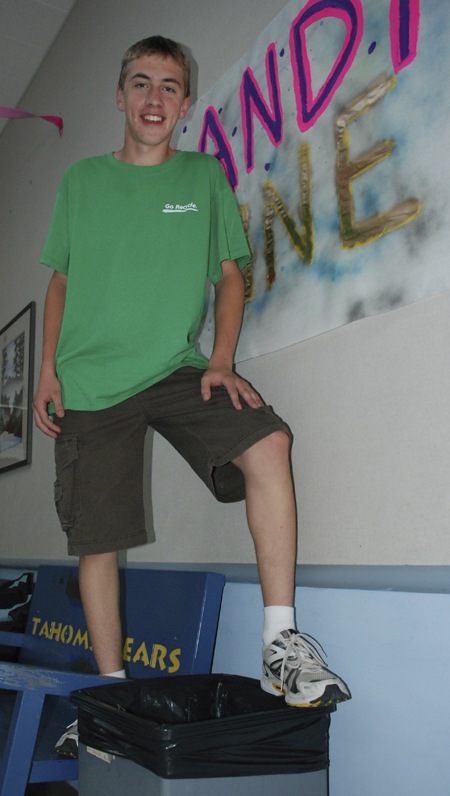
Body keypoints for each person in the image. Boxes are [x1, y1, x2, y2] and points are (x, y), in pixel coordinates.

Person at [32, 35, 350, 756]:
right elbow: (60, 282)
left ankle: (280, 644)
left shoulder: (203, 176)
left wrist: (221, 358)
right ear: (120, 96)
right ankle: (109, 699)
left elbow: (230, 274)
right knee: (99, 540)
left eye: (169, 87)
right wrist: (46, 370)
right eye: (140, 84)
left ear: (184, 102)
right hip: (88, 381)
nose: (153, 99)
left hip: (176, 368)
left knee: (269, 438)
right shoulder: (81, 180)